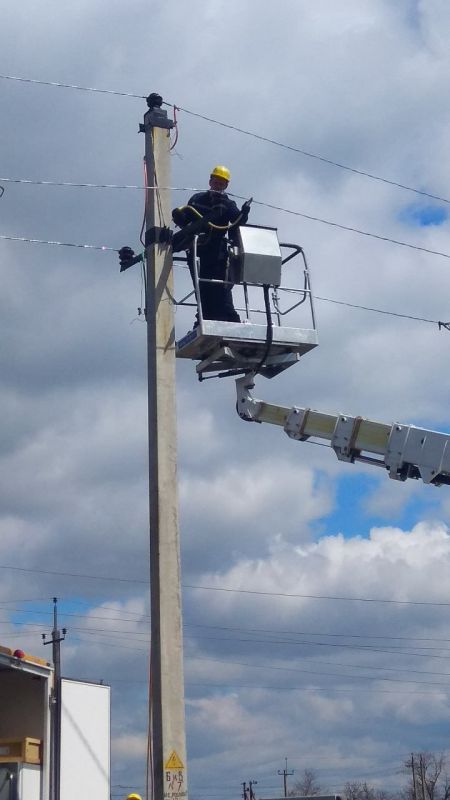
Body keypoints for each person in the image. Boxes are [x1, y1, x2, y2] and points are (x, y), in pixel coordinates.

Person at [172, 165, 251, 324]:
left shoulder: (228, 204)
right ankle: (203, 318)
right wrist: (179, 218)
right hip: (197, 250)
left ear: (226, 186)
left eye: (222, 183)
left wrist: (244, 214)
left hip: (217, 252)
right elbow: (186, 221)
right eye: (216, 182)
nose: (218, 185)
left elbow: (236, 223)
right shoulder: (197, 199)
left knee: (221, 286)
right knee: (201, 286)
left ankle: (228, 317)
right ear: (210, 181)